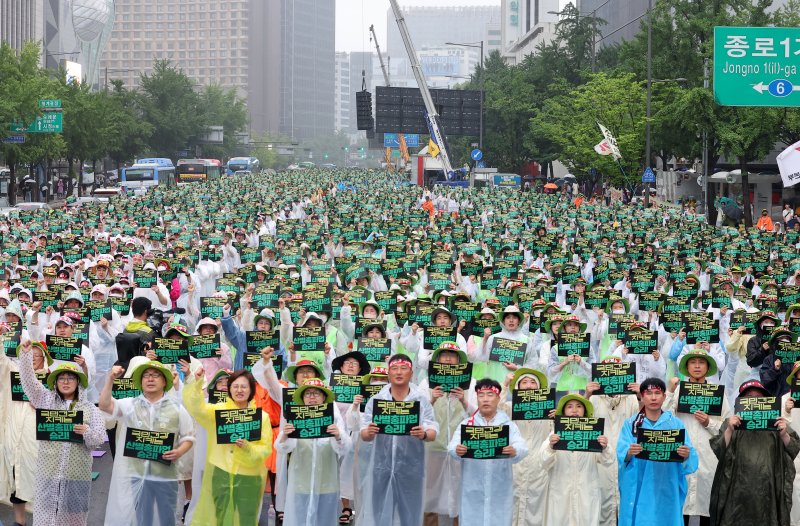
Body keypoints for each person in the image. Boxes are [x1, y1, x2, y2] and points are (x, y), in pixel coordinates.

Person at [17, 339, 106, 526]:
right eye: (61, 378)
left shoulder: (90, 409)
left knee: (74, 519)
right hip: (48, 473)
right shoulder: (45, 400)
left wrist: (87, 432)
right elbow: (28, 381)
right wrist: (25, 356)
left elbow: (97, 440)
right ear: (55, 382)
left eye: (71, 378)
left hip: (77, 476)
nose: (66, 382)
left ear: (78, 382)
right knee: (45, 517)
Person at [99, 360, 195, 526]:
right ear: (141, 381)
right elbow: (105, 405)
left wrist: (179, 452)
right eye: (146, 376)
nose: (150, 379)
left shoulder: (177, 408)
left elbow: (188, 437)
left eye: (155, 375)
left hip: (166, 475)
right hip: (137, 475)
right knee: (143, 518)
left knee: (167, 518)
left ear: (164, 381)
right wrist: (110, 379)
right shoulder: (130, 405)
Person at [182, 366, 273, 526]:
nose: (239, 390)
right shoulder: (219, 411)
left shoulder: (261, 417)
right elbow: (198, 409)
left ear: (251, 390)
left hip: (248, 476)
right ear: (229, 389)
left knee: (246, 517)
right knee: (221, 515)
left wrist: (248, 447)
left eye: (244, 386)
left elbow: (265, 449)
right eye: (235, 386)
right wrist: (197, 384)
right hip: (221, 471)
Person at [360, 354, 439, 526]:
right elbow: (363, 433)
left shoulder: (420, 400)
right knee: (379, 512)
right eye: (394, 368)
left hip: (412, 467)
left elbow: (433, 429)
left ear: (411, 373)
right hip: (381, 466)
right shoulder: (377, 401)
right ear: (388, 373)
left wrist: (424, 434)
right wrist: (370, 432)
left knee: (410, 513)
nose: (399, 372)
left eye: (404, 368)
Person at [709, 379, 800, 526]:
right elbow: (719, 450)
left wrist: (784, 434)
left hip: (768, 492)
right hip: (736, 493)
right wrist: (729, 430)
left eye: (759, 397)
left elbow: (794, 448)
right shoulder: (730, 423)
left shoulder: (776, 423)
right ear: (740, 402)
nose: (754, 400)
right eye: (748, 397)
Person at [617, 377, 698, 526]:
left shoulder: (675, 423)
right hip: (639, 485)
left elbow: (691, 459)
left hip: (667, 484)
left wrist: (686, 455)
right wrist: (629, 452)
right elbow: (621, 454)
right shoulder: (631, 424)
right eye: (648, 393)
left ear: (664, 397)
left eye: (657, 393)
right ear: (641, 396)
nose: (653, 397)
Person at [663, 349, 731, 526]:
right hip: (681, 456)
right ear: (687, 367)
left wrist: (709, 422)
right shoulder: (678, 392)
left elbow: (728, 428)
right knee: (680, 509)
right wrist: (670, 391)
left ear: (708, 367)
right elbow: (663, 421)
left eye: (701, 362)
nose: (697, 366)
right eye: (693, 362)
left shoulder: (718, 394)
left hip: (709, 459)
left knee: (707, 508)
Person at [448, 378, 528, 526]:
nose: (485, 399)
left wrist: (514, 450)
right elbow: (452, 446)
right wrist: (457, 450)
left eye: (490, 395)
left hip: (499, 488)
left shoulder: (508, 425)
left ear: (498, 398)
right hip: (472, 488)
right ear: (476, 398)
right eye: (481, 395)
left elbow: (523, 446)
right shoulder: (467, 424)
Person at [276, 378, 351, 526]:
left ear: (324, 397)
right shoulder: (294, 418)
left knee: (325, 521)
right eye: (308, 393)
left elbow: (345, 449)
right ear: (302, 398)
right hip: (300, 484)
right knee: (298, 520)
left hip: (327, 484)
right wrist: (285, 434)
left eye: (316, 394)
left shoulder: (333, 419)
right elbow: (281, 447)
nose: (312, 397)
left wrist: (338, 435)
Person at [538, 393, 613, 526]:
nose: (574, 410)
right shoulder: (555, 433)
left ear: (584, 411)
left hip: (587, 493)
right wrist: (551, 447)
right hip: (560, 494)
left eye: (579, 406)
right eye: (570, 407)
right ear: (564, 412)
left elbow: (608, 461)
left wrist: (605, 447)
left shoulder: (594, 433)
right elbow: (543, 462)